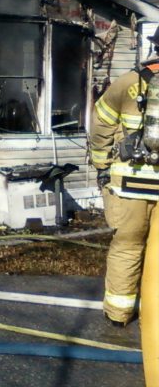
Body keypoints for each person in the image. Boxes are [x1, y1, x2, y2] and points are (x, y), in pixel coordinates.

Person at [90, 25, 159, 326]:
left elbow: (101, 124)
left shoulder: (128, 82)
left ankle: (119, 314)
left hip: (130, 186)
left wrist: (102, 165)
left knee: (127, 247)